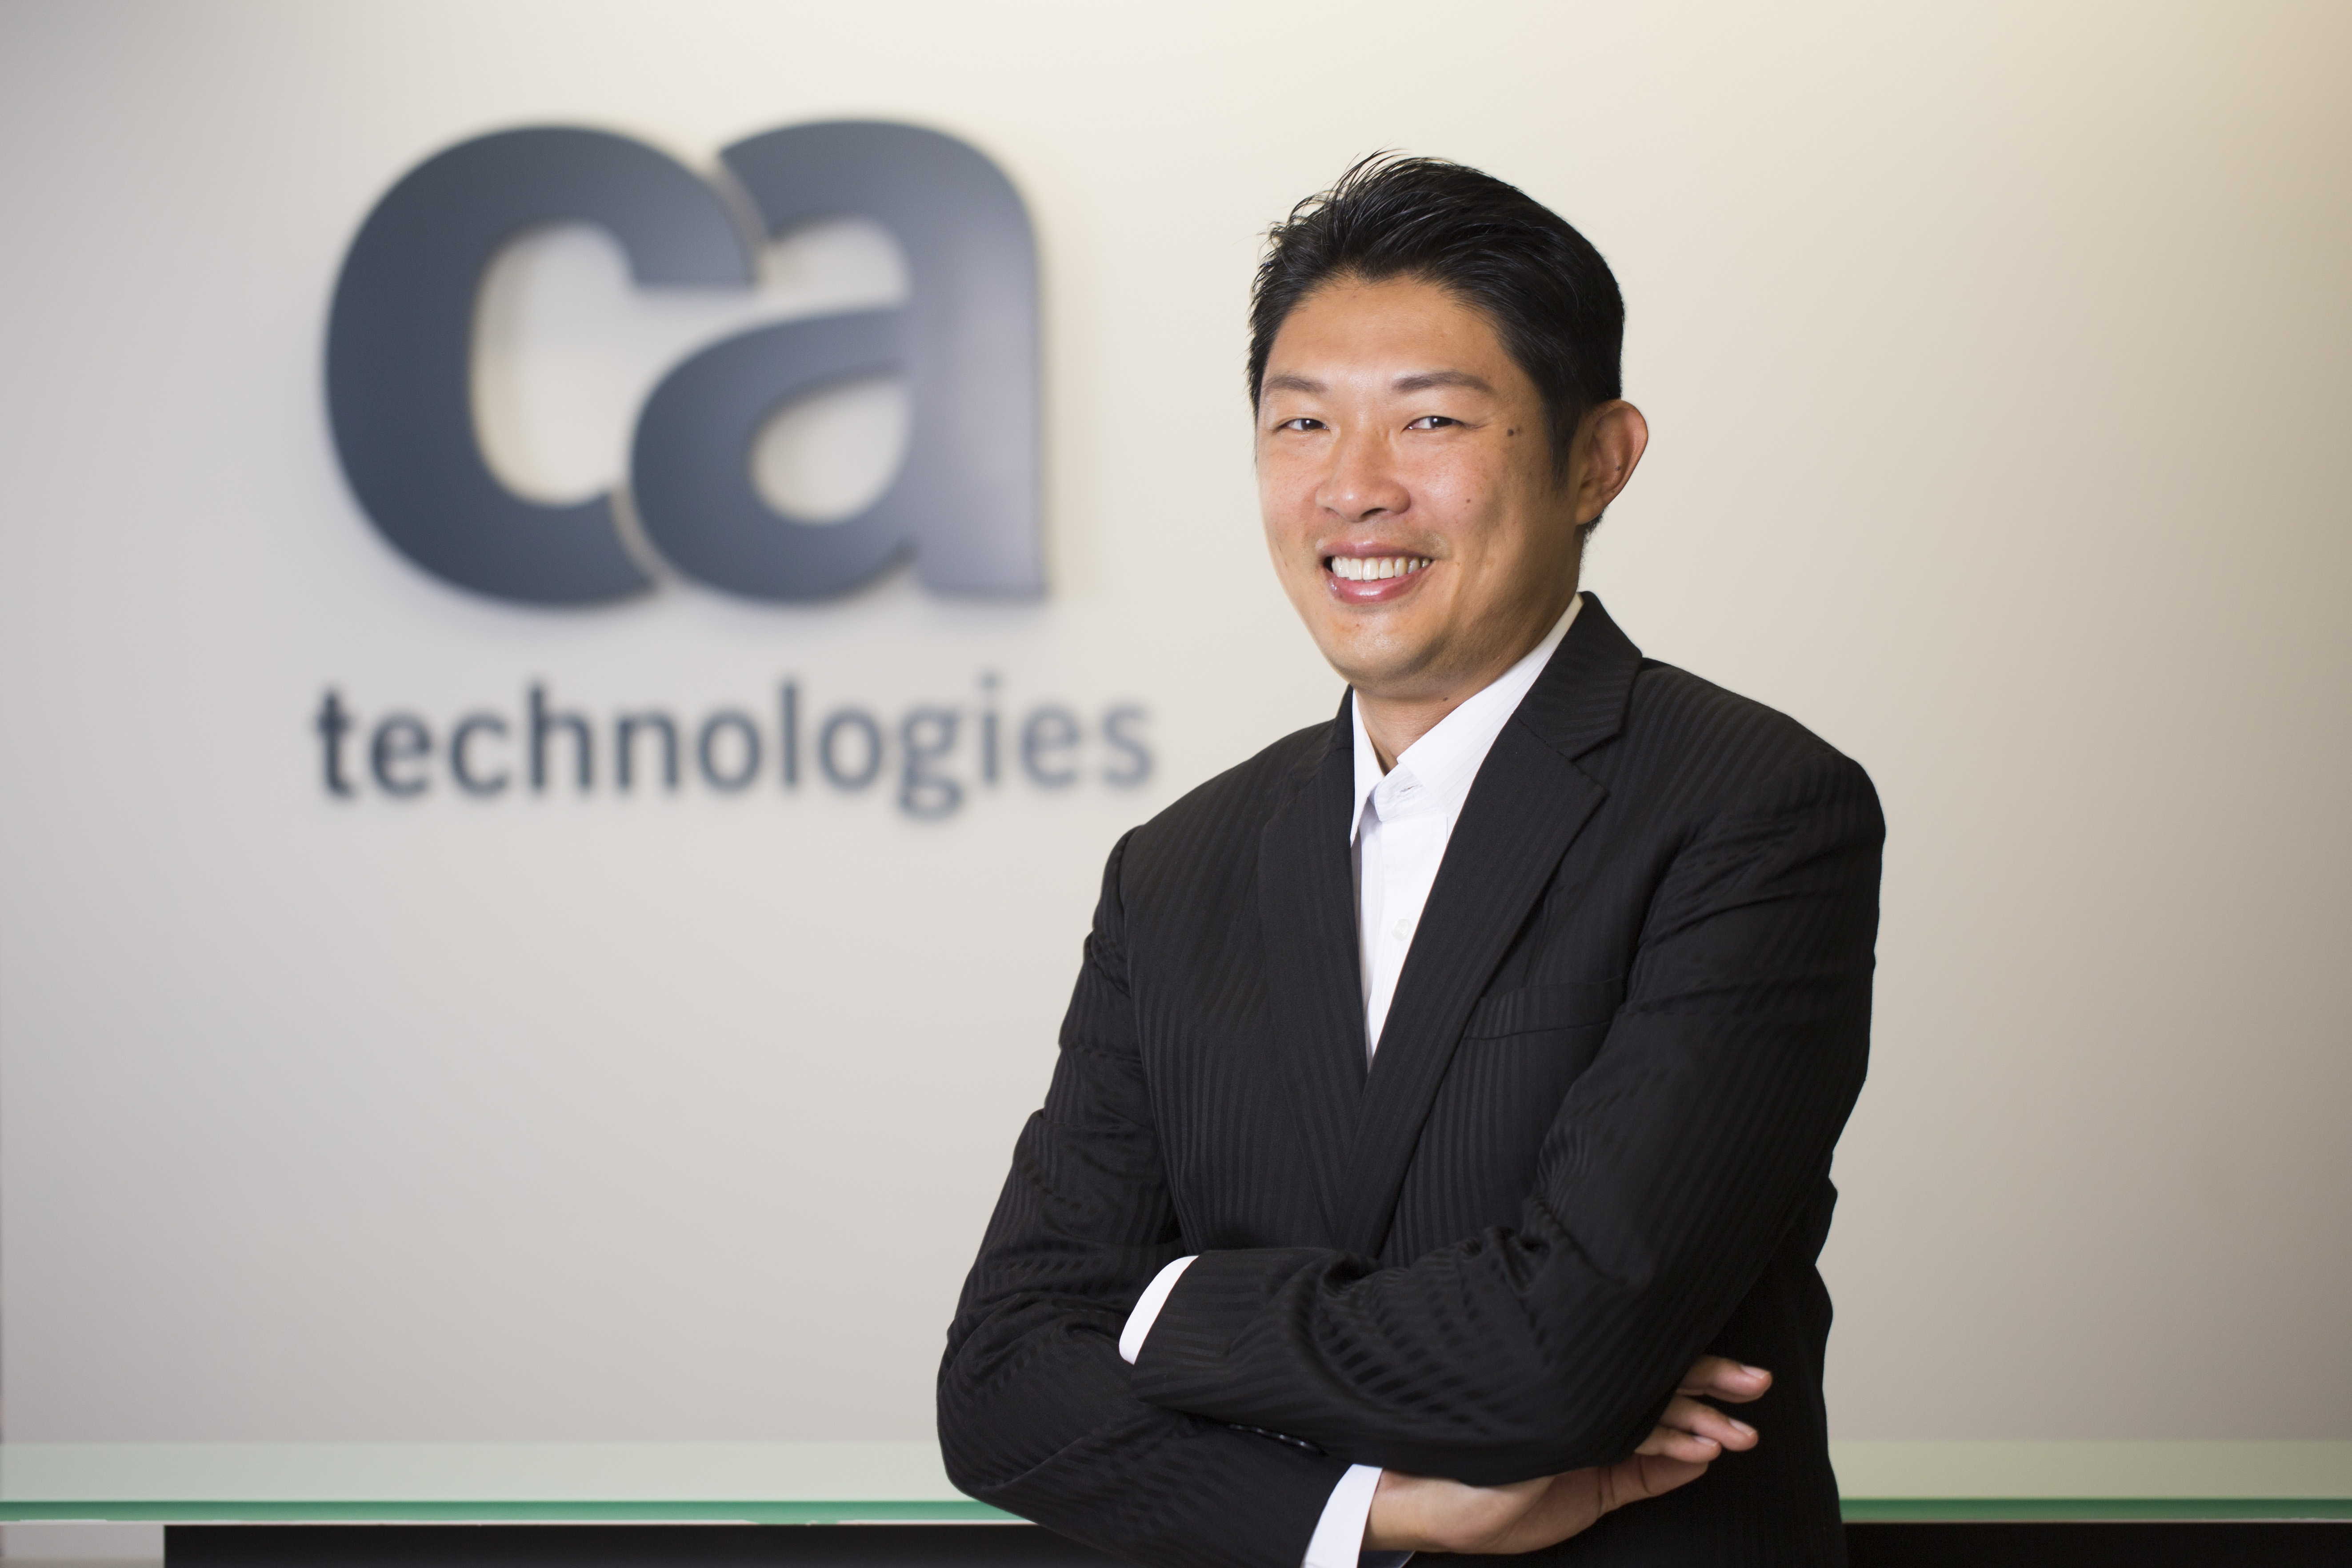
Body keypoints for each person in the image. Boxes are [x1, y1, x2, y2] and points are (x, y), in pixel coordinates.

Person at [938, 155, 1882, 1567]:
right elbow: (1001, 1388)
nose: (1352, 489)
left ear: (1597, 459)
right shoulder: (1178, 868)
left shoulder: (1749, 808)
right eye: (1301, 423)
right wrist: (1374, 1512)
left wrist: (1161, 1309)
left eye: (1430, 419)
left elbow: (1557, 1365)